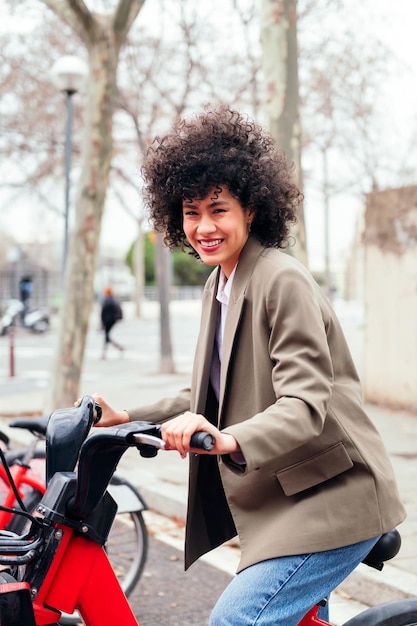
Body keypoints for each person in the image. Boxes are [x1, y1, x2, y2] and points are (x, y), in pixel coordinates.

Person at [91, 105, 405, 625]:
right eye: (192, 213)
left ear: (252, 209)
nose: (204, 227)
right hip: (287, 498)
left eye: (218, 209)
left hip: (333, 496)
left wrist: (227, 439)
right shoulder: (222, 284)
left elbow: (304, 405)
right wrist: (123, 415)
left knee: (236, 620)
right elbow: (205, 395)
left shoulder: (280, 280)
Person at [100, 286, 124, 358]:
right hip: (113, 320)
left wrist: (102, 323)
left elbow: (103, 312)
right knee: (107, 336)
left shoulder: (107, 300)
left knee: (107, 337)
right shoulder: (114, 300)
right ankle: (118, 348)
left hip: (108, 321)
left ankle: (117, 348)